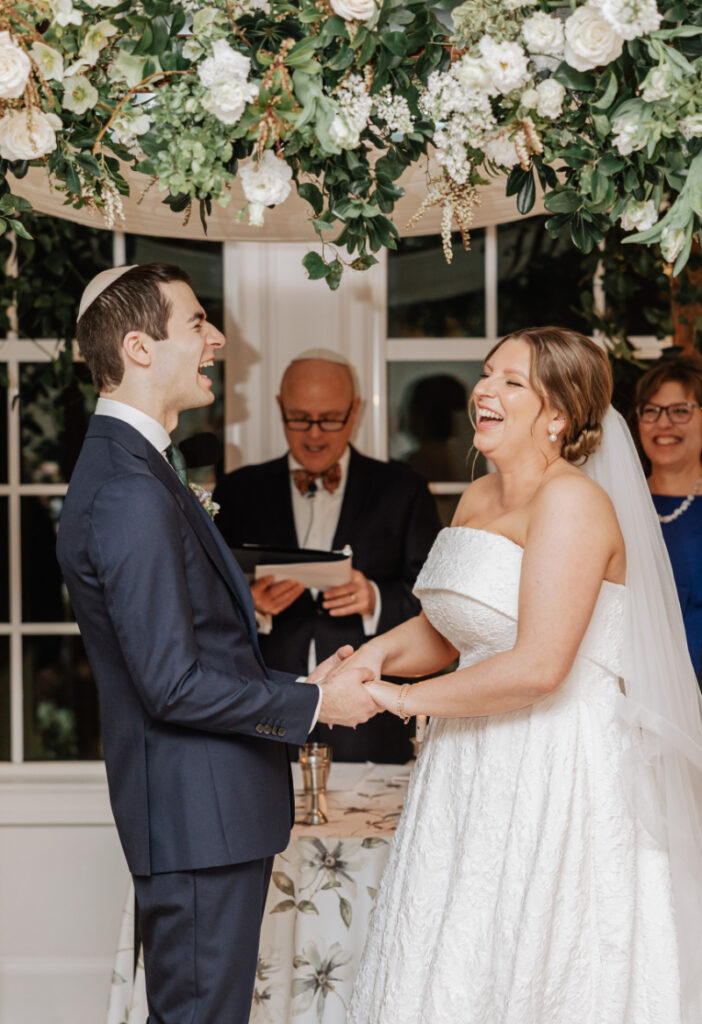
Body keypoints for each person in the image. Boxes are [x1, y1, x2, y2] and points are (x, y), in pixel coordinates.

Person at [343, 326, 702, 1024]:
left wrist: (402, 699)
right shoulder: (480, 496)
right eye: (486, 374)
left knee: (534, 952)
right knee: (454, 944)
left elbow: (539, 667)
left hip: (554, 762)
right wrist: (373, 656)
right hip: (468, 760)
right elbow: (451, 628)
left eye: (512, 382)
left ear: (559, 415)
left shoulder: (571, 502)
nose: (485, 390)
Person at [56, 264, 377, 1024]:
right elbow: (170, 684)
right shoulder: (130, 488)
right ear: (139, 346)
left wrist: (304, 677)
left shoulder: (138, 470)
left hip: (207, 815)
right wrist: (315, 702)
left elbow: (193, 648)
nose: (217, 338)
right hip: (197, 818)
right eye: (197, 322)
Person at [213, 350, 441, 762]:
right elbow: (206, 606)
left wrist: (375, 598)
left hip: (371, 721)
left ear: (354, 411)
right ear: (280, 408)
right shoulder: (238, 492)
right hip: (267, 722)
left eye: (330, 419)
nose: (314, 434)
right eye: (299, 418)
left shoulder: (403, 490)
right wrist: (252, 605)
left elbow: (436, 607)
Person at [633, 353, 702, 678]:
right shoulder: (615, 504)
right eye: (651, 411)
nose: (663, 423)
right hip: (638, 688)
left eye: (679, 411)